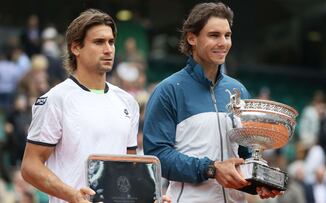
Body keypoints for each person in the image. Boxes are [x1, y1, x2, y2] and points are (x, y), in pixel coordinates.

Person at [21, 9, 170, 203]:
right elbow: (30, 166)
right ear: (76, 48)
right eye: (99, 42)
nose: (108, 49)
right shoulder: (56, 99)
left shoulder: (128, 102)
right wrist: (71, 195)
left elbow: (130, 171)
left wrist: (151, 198)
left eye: (111, 42)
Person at [143, 2, 281, 203]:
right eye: (214, 35)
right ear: (192, 38)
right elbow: (157, 156)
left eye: (227, 35)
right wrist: (211, 169)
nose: (223, 43)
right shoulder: (169, 90)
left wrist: (260, 179)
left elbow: (244, 155)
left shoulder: (238, 91)